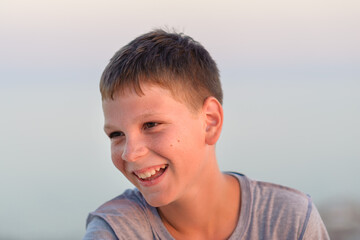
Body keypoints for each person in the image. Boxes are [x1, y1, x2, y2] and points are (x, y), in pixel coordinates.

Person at [83, 29, 329, 240]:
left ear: (210, 122)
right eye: (116, 134)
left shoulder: (291, 221)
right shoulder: (115, 232)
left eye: (151, 125)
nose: (130, 153)